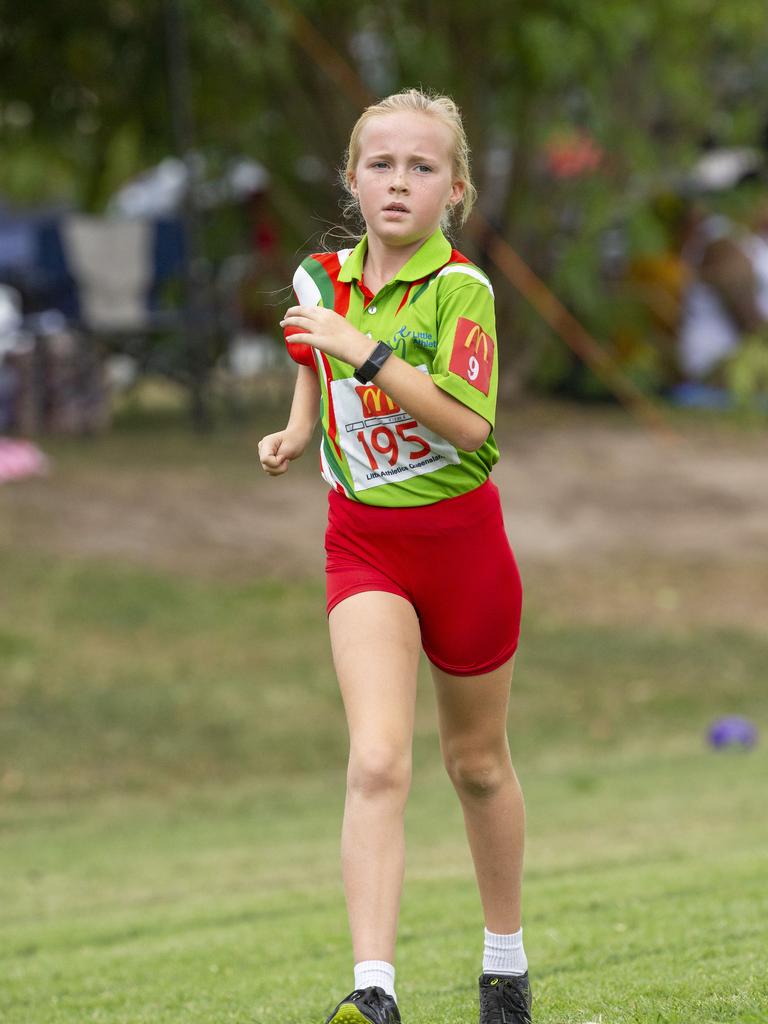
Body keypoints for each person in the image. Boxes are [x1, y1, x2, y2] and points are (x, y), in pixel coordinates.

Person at [258, 89, 531, 1024]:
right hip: (363, 542)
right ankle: (373, 993)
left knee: (477, 763)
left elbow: (467, 423)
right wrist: (298, 429)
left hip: (463, 545)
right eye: (381, 165)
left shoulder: (464, 290)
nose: (399, 183)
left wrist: (364, 350)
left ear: (454, 191)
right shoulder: (316, 279)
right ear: (351, 179)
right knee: (377, 760)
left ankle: (505, 964)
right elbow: (313, 357)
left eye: (422, 168)